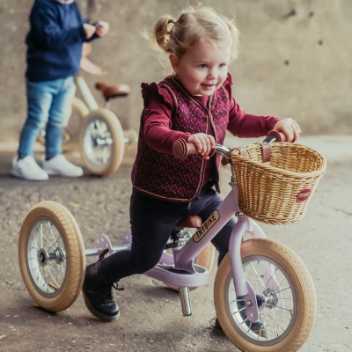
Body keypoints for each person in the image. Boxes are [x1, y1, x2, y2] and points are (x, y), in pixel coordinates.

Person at [82, 6, 302, 328]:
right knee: (145, 257)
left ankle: (231, 313)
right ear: (176, 61)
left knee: (232, 243)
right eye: (202, 66)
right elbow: (153, 131)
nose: (214, 75)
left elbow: (238, 120)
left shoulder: (221, 90)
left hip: (203, 193)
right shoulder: (164, 96)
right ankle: (98, 276)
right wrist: (182, 139)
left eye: (222, 65)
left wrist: (274, 123)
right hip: (157, 196)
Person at [11, 0, 109, 181]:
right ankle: (23, 158)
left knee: (59, 118)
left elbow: (77, 32)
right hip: (43, 77)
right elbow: (49, 38)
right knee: (37, 118)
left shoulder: (71, 6)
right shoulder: (43, 7)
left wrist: (94, 31)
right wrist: (79, 32)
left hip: (66, 76)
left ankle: (53, 156)